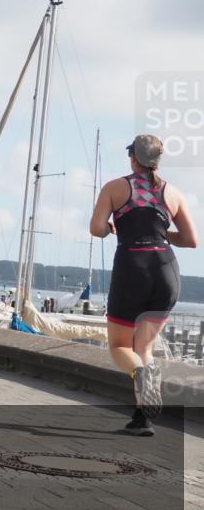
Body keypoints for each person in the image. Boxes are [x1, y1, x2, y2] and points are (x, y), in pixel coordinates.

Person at [90, 134, 198, 436]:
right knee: (144, 347)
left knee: (121, 346)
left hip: (132, 266)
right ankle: (142, 419)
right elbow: (191, 240)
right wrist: (163, 236)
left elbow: (97, 228)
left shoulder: (115, 188)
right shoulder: (172, 193)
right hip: (166, 269)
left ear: (133, 158)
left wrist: (111, 228)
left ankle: (140, 374)